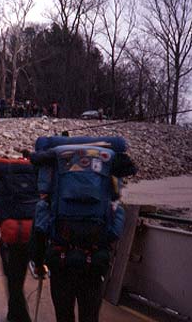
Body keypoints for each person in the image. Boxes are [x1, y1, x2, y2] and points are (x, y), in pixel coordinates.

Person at [31, 136, 136, 322]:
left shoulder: (52, 177)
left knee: (64, 316)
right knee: (90, 317)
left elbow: (41, 227)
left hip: (61, 262)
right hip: (94, 263)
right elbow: (114, 231)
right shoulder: (109, 167)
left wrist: (39, 263)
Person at [0, 156, 39, 322]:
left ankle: (21, 317)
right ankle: (13, 314)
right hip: (30, 238)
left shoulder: (4, 186)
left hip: (10, 242)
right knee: (17, 279)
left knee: (13, 281)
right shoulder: (33, 183)